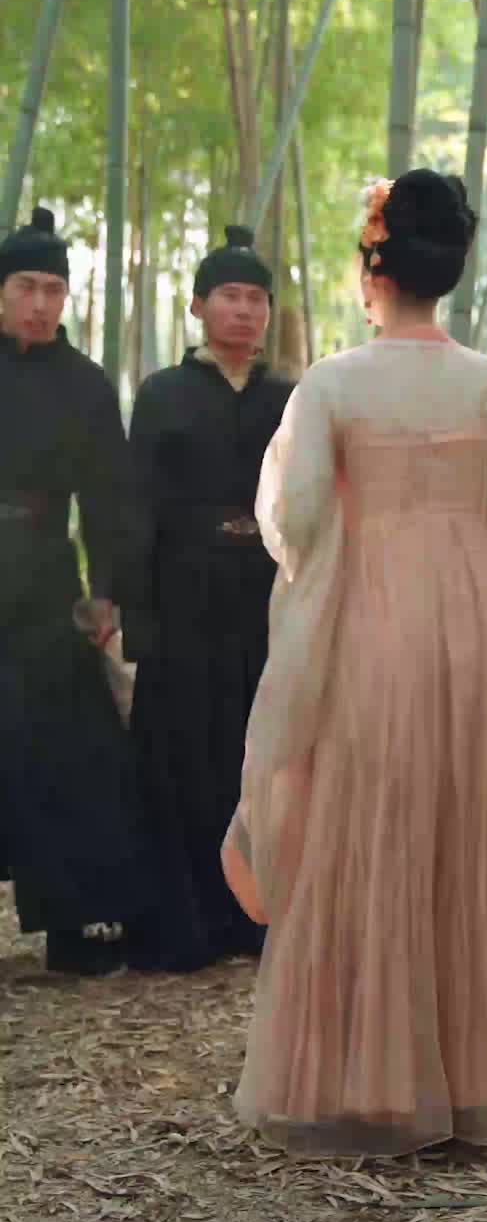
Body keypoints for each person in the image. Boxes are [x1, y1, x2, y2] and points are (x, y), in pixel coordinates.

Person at [220, 168, 487, 1156]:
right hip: (480, 633)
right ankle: (471, 1074)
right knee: (468, 827)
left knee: (368, 824)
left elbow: (295, 519)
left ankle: (370, 1072)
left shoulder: (334, 384)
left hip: (372, 627)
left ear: (374, 268)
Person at [123, 224, 293, 971]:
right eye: (230, 296)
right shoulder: (162, 394)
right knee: (182, 759)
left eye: (257, 298)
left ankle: (258, 918)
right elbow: (135, 507)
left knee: (258, 757)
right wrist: (134, 611)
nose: (244, 311)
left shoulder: (291, 398)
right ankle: (182, 926)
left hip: (264, 594)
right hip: (183, 595)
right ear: (198, 306)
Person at [0, 205, 152, 974]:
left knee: (63, 748)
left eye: (53, 289)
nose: (39, 303)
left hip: (44, 573)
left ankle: (69, 924)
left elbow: (107, 496)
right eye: (25, 286)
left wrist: (106, 591)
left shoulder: (85, 384)